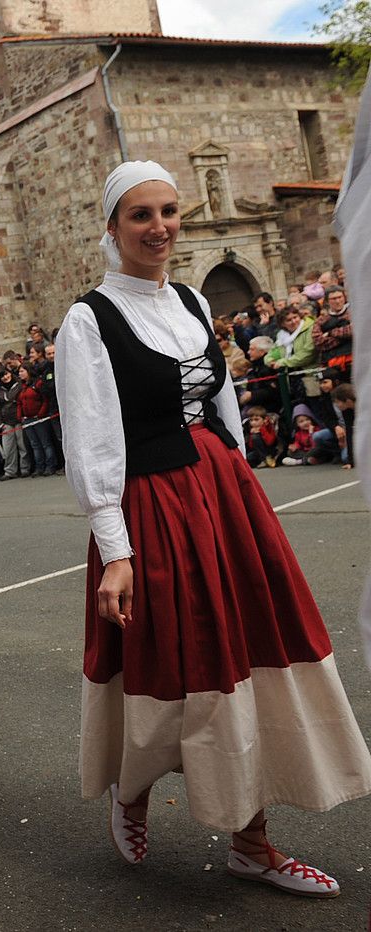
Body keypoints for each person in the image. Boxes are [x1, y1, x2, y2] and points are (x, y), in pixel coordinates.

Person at [56, 159, 371, 896]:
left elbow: (221, 407)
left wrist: (245, 496)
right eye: (141, 214)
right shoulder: (89, 320)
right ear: (112, 227)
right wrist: (116, 552)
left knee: (251, 656)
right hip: (151, 507)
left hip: (222, 498)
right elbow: (93, 441)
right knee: (172, 665)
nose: (159, 227)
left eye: (169, 211)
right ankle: (131, 789)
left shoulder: (195, 301)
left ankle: (251, 843)